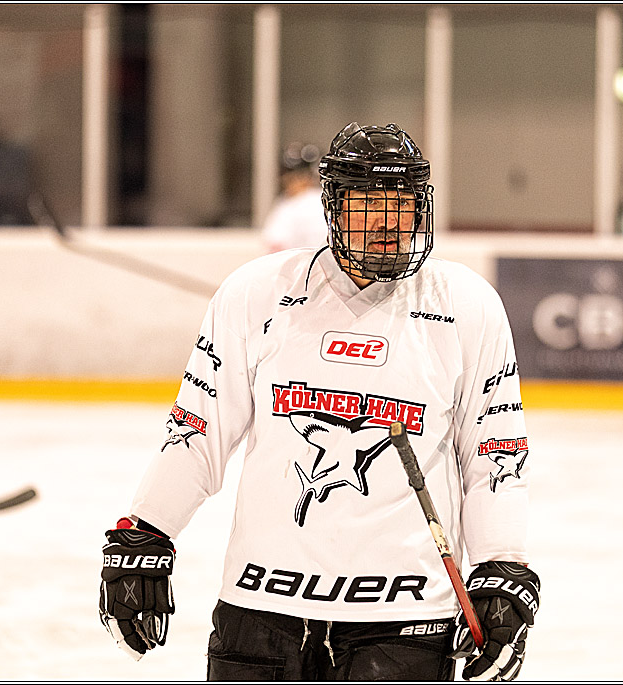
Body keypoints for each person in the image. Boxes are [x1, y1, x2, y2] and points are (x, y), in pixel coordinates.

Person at [99, 122, 540, 681]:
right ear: (332, 205)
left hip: (405, 621)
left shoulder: (466, 305)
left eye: (402, 203)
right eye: (366, 204)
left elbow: (495, 453)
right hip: (260, 609)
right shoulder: (255, 293)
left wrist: (502, 564)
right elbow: (196, 429)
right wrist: (147, 530)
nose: (387, 224)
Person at [260, 142, 329, 252]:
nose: (286, 180)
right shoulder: (287, 201)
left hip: (303, 267)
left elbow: (276, 246)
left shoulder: (303, 204)